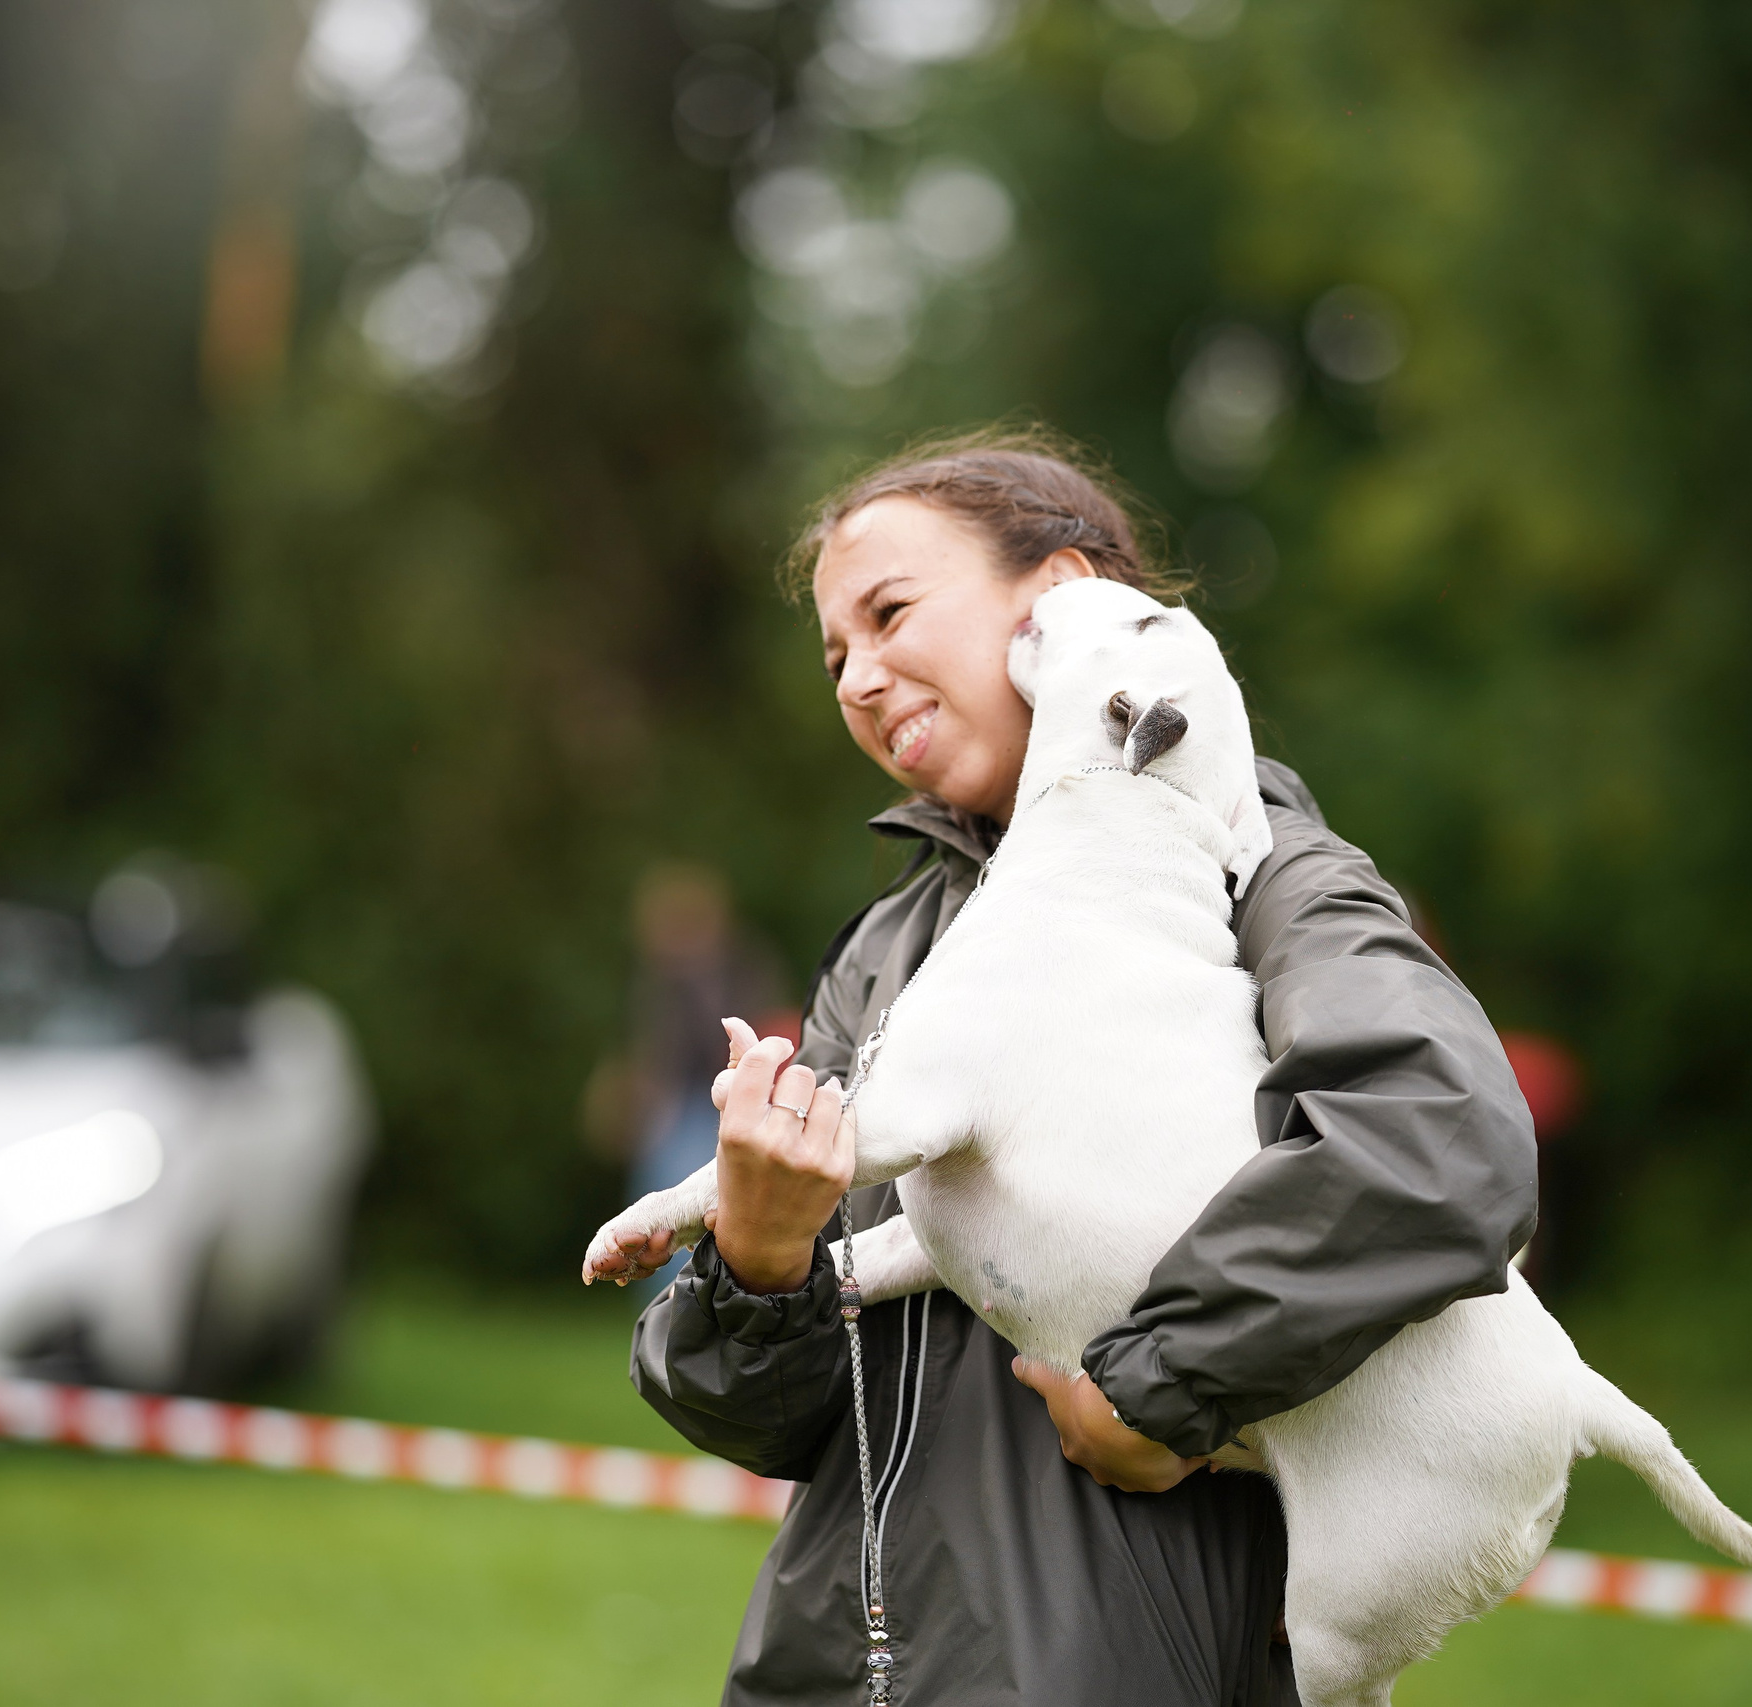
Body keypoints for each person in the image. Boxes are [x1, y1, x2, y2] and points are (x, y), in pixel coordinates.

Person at [625, 430, 1537, 1705]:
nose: (858, 678)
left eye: (889, 614)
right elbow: (774, 1418)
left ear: (1058, 597)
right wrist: (761, 1261)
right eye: (834, 657)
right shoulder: (889, 948)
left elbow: (1443, 1145)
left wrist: (1159, 1388)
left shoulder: (1265, 874)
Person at [586, 863, 786, 1298]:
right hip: (675, 1108)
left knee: (689, 1201)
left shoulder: (740, 970)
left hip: (721, 1102)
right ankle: (664, 1306)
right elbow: (656, 1051)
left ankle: (689, 1299)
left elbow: (756, 1031)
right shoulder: (660, 982)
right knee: (654, 1202)